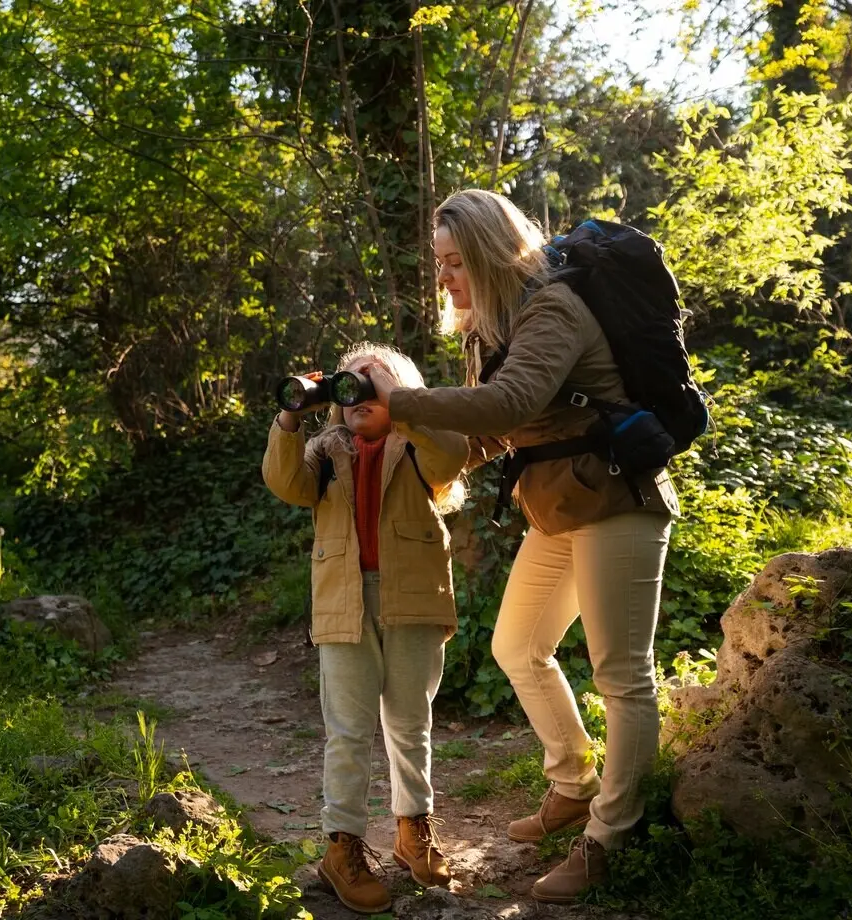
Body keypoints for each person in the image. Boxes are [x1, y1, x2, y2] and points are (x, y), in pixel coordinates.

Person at [363, 189, 680, 904]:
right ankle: (574, 783)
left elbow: (511, 403)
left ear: (486, 253)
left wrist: (401, 402)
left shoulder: (552, 308)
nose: (443, 277)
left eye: (453, 262)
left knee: (622, 673)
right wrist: (412, 454)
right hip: (560, 507)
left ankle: (611, 838)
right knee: (517, 646)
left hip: (617, 500)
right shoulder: (494, 326)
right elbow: (495, 434)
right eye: (438, 263)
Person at [262, 343, 475, 914]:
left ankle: (413, 831)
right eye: (349, 384)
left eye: (373, 385)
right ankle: (343, 847)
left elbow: (454, 454)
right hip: (344, 604)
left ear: (397, 393)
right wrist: (290, 415)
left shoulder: (419, 447)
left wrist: (402, 404)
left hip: (414, 600)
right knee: (349, 730)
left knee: (410, 724)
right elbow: (285, 483)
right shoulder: (325, 450)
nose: (358, 394)